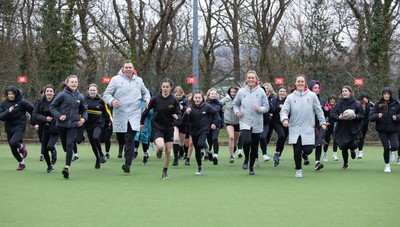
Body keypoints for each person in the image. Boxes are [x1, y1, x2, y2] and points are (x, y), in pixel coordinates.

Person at [103, 60, 150, 174]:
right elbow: (106, 95)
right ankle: (127, 153)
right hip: (120, 113)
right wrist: (112, 101)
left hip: (134, 113)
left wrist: (147, 99)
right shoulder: (115, 80)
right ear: (123, 69)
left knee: (130, 137)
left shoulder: (139, 81)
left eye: (130, 67)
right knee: (122, 139)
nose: (128, 69)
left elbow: (146, 92)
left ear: (133, 69)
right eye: (126, 67)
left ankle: (127, 163)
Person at [280, 74, 326, 178]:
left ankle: (304, 154)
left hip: (308, 127)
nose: (300, 83)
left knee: (308, 149)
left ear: (305, 83)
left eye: (302, 81)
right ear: (295, 83)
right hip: (295, 128)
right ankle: (298, 170)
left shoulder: (312, 96)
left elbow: (318, 110)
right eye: (298, 81)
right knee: (296, 149)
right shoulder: (290, 97)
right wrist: (285, 119)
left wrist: (322, 122)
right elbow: (284, 110)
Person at [141, 78, 181, 179]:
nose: (165, 89)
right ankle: (158, 151)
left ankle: (165, 172)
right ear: (161, 87)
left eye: (167, 87)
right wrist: (141, 123)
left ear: (170, 87)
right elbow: (146, 111)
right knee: (160, 146)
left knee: (168, 150)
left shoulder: (174, 100)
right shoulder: (155, 99)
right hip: (157, 126)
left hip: (169, 127)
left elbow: (179, 113)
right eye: (163, 87)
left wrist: (177, 116)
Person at [50, 75, 88, 179]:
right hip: (61, 125)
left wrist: (83, 119)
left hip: (74, 125)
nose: (74, 83)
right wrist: (59, 116)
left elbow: (84, 110)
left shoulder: (80, 96)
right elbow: (52, 106)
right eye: (72, 82)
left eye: (76, 82)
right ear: (67, 83)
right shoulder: (62, 95)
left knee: (70, 144)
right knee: (66, 148)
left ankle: (67, 167)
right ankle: (68, 155)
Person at [233, 70, 269, 175]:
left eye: (253, 78)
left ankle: (251, 167)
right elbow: (235, 104)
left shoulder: (261, 92)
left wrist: (259, 109)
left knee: (254, 146)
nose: (251, 80)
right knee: (247, 141)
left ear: (256, 79)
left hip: (257, 122)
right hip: (245, 120)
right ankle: (246, 159)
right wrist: (237, 112)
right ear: (246, 79)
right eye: (249, 78)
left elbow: (266, 107)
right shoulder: (241, 91)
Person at [182, 90, 220, 175]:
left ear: (202, 98)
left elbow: (216, 114)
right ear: (193, 98)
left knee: (200, 144)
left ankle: (207, 149)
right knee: (197, 150)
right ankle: (200, 167)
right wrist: (186, 113)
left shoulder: (207, 106)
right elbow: (183, 122)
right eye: (196, 98)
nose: (197, 99)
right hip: (194, 131)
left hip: (204, 130)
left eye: (199, 98)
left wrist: (214, 123)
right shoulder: (190, 108)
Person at [330, 85, 364, 170]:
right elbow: (332, 114)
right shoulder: (339, 104)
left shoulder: (356, 104)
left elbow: (362, 115)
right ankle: (345, 163)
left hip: (353, 128)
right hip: (342, 129)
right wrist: (338, 117)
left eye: (346, 91)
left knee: (353, 145)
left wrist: (355, 116)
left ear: (350, 92)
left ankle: (352, 150)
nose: (344, 92)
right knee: (344, 147)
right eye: (343, 91)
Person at [0, 86, 34, 170]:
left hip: (20, 126)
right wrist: (8, 111)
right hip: (9, 127)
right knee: (13, 149)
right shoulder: (4, 104)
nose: (11, 95)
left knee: (13, 142)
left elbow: (33, 110)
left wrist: (33, 122)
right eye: (9, 94)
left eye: (12, 93)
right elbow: (1, 117)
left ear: (16, 94)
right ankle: (21, 163)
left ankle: (22, 147)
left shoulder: (22, 102)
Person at [369, 87, 400, 173]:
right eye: (385, 94)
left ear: (390, 95)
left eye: (388, 94)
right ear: (382, 95)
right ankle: (387, 165)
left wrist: (397, 117)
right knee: (385, 147)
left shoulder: (396, 104)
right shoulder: (378, 104)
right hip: (382, 130)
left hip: (393, 129)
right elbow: (371, 116)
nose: (386, 95)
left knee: (395, 146)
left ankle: (391, 150)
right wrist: (377, 116)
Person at [32, 85, 59, 173]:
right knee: (44, 150)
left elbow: (62, 112)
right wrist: (45, 118)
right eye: (47, 91)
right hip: (44, 127)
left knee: (50, 146)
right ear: (44, 93)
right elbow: (35, 114)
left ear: (54, 93)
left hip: (55, 127)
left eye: (51, 91)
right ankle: (49, 166)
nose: (49, 93)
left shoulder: (58, 101)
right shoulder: (40, 101)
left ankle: (54, 151)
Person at [84, 84, 111, 169]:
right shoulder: (84, 100)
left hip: (98, 124)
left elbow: (107, 112)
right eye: (91, 90)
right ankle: (97, 158)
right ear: (88, 91)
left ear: (97, 91)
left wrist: (109, 121)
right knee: (92, 143)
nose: (92, 92)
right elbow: (80, 110)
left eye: (94, 90)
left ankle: (102, 154)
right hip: (88, 124)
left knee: (96, 137)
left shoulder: (101, 101)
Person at [306, 80, 329, 171]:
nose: (317, 90)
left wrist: (327, 111)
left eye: (318, 88)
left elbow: (325, 115)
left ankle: (317, 162)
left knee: (319, 142)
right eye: (315, 88)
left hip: (319, 126)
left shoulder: (322, 101)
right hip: (309, 125)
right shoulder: (306, 99)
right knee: (310, 146)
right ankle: (304, 154)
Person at [269, 85, 289, 167]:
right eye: (281, 91)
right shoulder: (274, 100)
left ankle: (277, 157)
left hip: (286, 123)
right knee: (281, 135)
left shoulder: (288, 101)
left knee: (283, 140)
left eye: (284, 91)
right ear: (278, 92)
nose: (282, 93)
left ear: (286, 93)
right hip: (276, 122)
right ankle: (277, 152)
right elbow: (271, 109)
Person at [220, 86, 240, 163]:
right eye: (231, 92)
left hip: (238, 122)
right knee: (231, 137)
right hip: (228, 121)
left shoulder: (239, 99)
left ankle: (234, 148)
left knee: (235, 140)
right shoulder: (226, 99)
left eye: (234, 92)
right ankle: (231, 156)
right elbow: (219, 104)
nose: (232, 93)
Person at [205, 88, 224, 165]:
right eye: (212, 94)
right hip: (207, 125)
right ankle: (209, 152)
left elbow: (221, 114)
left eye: (215, 94)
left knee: (215, 138)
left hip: (216, 124)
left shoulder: (219, 104)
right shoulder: (205, 104)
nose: (213, 95)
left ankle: (215, 155)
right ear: (208, 95)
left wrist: (221, 123)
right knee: (209, 141)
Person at [172, 86, 188, 166]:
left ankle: (181, 149)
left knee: (181, 142)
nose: (178, 97)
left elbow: (189, 109)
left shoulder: (186, 101)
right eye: (176, 95)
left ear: (182, 94)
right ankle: (175, 158)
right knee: (176, 139)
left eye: (179, 95)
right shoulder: (171, 101)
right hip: (175, 122)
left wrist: (183, 108)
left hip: (183, 123)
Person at [260, 83, 276, 162]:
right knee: (258, 138)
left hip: (267, 121)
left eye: (267, 88)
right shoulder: (257, 98)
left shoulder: (271, 98)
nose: (265, 90)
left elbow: (273, 109)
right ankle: (260, 155)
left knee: (265, 137)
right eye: (264, 89)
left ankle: (264, 152)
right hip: (257, 121)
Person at [357, 93, 374, 159]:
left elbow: (374, 110)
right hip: (358, 123)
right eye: (363, 98)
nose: (365, 99)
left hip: (365, 124)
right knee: (360, 137)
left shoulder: (370, 104)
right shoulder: (357, 104)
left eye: (366, 98)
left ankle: (360, 150)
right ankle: (359, 150)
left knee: (362, 137)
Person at [323, 94, 339, 161]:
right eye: (331, 99)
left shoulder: (337, 107)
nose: (332, 100)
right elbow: (324, 115)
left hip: (335, 125)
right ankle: (325, 155)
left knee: (335, 140)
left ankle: (335, 154)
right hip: (328, 125)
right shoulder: (326, 106)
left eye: (333, 99)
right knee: (326, 140)